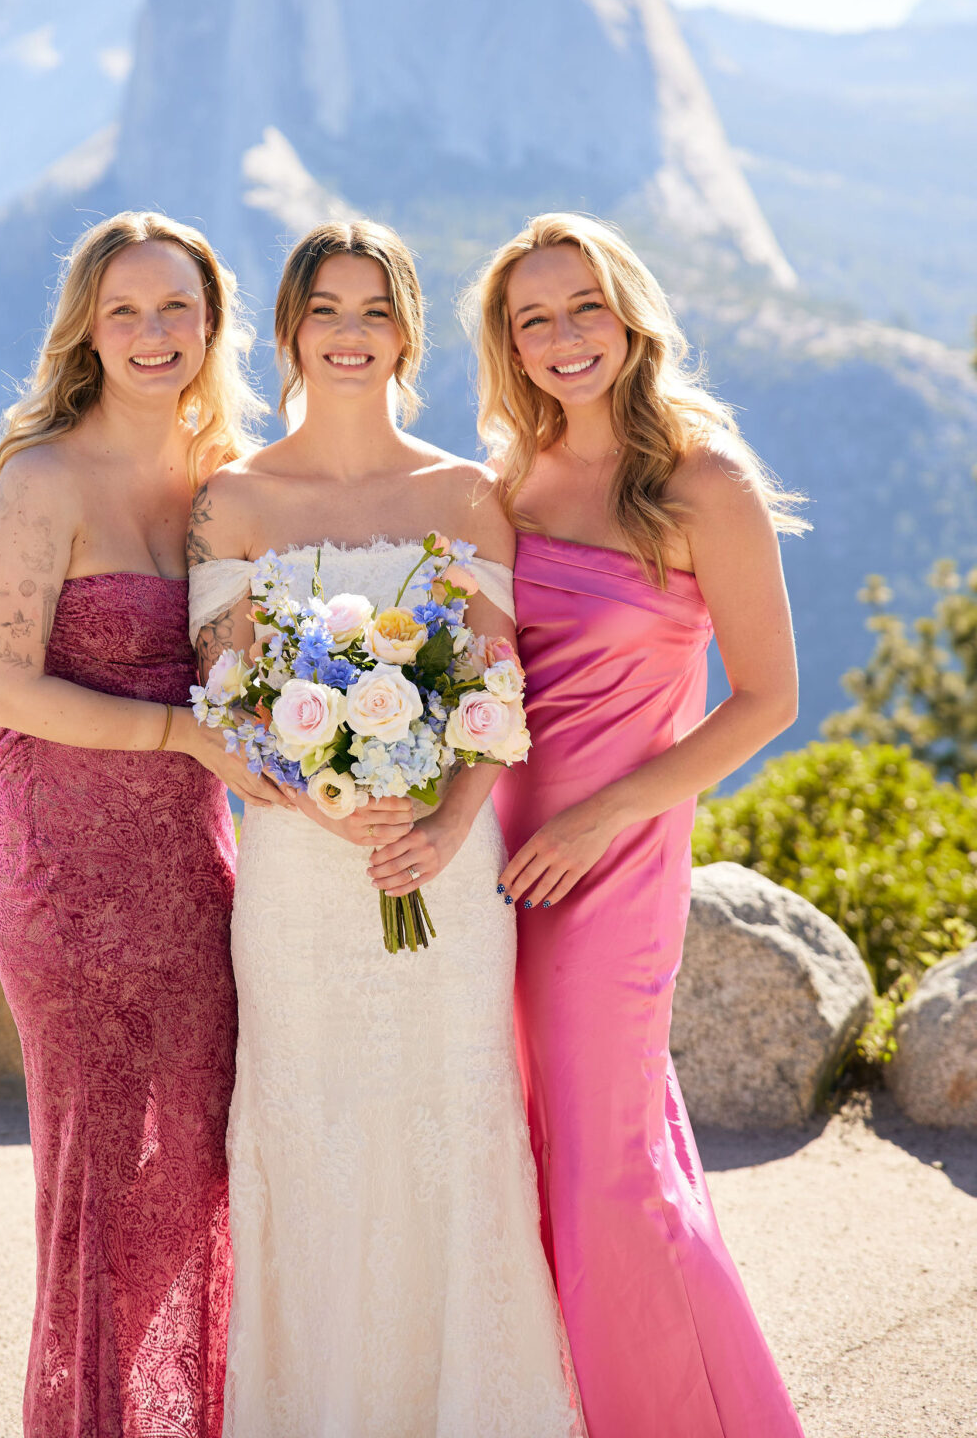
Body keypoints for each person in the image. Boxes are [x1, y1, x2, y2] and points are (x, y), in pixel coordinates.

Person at [186, 219, 580, 1438]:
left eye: (374, 311)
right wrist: (329, 797)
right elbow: (230, 701)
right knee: (310, 1141)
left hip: (444, 874)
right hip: (298, 881)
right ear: (289, 331)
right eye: (326, 310)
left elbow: (498, 693)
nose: (349, 334)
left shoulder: (466, 494)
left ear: (407, 333)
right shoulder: (230, 500)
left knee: (452, 1133)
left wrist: (449, 824)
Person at [469, 211, 808, 1438]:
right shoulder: (506, 482)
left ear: (629, 317)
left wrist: (604, 816)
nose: (564, 335)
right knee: (529, 1143)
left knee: (606, 1166)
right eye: (534, 318)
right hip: (489, 852)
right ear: (510, 344)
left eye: (585, 307)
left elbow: (768, 699)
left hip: (615, 858)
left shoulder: (703, 481)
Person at [0, 211, 287, 1438]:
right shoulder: (44, 477)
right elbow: (6, 689)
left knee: (196, 1171)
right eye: (126, 311)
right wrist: (184, 737)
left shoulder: (225, 479)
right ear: (88, 332)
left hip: (194, 875)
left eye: (176, 308)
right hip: (64, 871)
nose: (153, 333)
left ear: (211, 324)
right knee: (101, 1182)